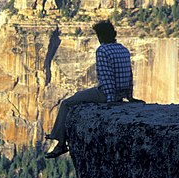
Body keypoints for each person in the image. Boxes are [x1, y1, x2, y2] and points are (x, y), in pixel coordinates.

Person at [45, 19, 143, 159]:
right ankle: (58, 137)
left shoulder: (102, 50)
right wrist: (129, 96)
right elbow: (129, 75)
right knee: (79, 94)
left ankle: (60, 143)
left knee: (66, 103)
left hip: (106, 94)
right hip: (121, 93)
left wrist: (110, 100)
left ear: (100, 36)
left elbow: (107, 76)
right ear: (114, 34)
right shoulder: (123, 49)